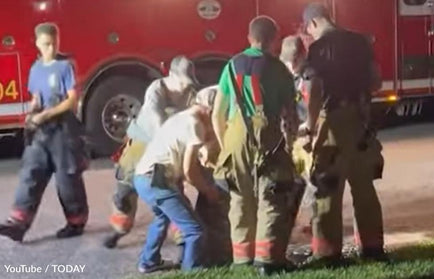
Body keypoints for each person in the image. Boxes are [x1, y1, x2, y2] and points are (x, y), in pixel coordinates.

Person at [298, 2, 386, 266]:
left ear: (313, 23)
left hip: (331, 125)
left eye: (308, 30)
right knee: (364, 189)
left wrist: (310, 127)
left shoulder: (318, 49)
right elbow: (376, 81)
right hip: (360, 123)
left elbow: (314, 91)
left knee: (327, 190)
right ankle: (372, 249)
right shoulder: (360, 42)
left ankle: (327, 254)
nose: (309, 35)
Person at [211, 16, 299, 275]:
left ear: (249, 38)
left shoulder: (230, 66)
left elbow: (218, 114)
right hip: (268, 138)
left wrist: (226, 146)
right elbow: (290, 115)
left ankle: (242, 261)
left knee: (239, 199)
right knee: (271, 197)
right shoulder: (280, 69)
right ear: (274, 40)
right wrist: (291, 145)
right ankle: (267, 262)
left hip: (234, 139)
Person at [0, 22, 89, 242]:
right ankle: (19, 223)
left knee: (67, 179)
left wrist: (46, 115)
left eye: (54, 43)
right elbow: (36, 98)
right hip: (41, 131)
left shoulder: (65, 66)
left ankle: (76, 222)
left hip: (64, 131)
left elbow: (71, 101)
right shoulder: (35, 69)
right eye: (46, 44)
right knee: (31, 172)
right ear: (38, 43)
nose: (51, 48)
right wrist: (32, 113)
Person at [104, 56, 197, 249]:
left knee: (173, 192)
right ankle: (119, 229)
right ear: (170, 75)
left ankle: (182, 239)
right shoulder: (156, 90)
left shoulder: (190, 94)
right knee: (125, 190)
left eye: (188, 83)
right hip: (142, 143)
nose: (184, 87)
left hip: (166, 150)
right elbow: (158, 121)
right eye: (181, 82)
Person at [133, 90, 221, 273]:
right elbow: (190, 170)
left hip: (142, 177)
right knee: (194, 230)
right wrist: (208, 191)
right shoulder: (195, 124)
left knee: (161, 217)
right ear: (209, 109)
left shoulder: (179, 118)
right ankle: (191, 271)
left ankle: (148, 261)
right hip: (157, 180)